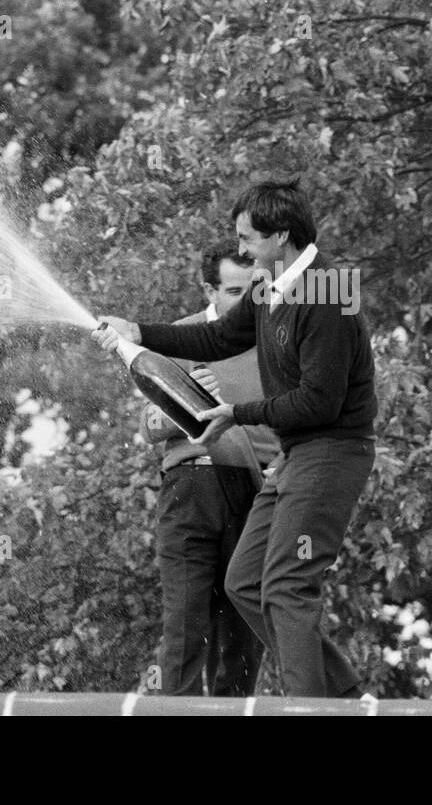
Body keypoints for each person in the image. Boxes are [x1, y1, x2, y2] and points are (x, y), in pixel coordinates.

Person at [93, 180, 377, 699]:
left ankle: (309, 709)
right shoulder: (271, 286)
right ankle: (341, 694)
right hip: (296, 457)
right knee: (246, 582)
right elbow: (219, 336)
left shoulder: (328, 293)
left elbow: (320, 403)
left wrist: (236, 413)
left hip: (332, 454)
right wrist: (138, 330)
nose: (242, 250)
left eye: (249, 239)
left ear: (282, 236)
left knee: (288, 584)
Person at [140, 246, 279, 697]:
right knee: (184, 628)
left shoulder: (280, 339)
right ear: (209, 290)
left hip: (259, 492)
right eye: (235, 291)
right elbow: (149, 428)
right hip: (192, 487)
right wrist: (187, 398)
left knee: (243, 639)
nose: (247, 302)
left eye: (255, 290)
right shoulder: (181, 338)